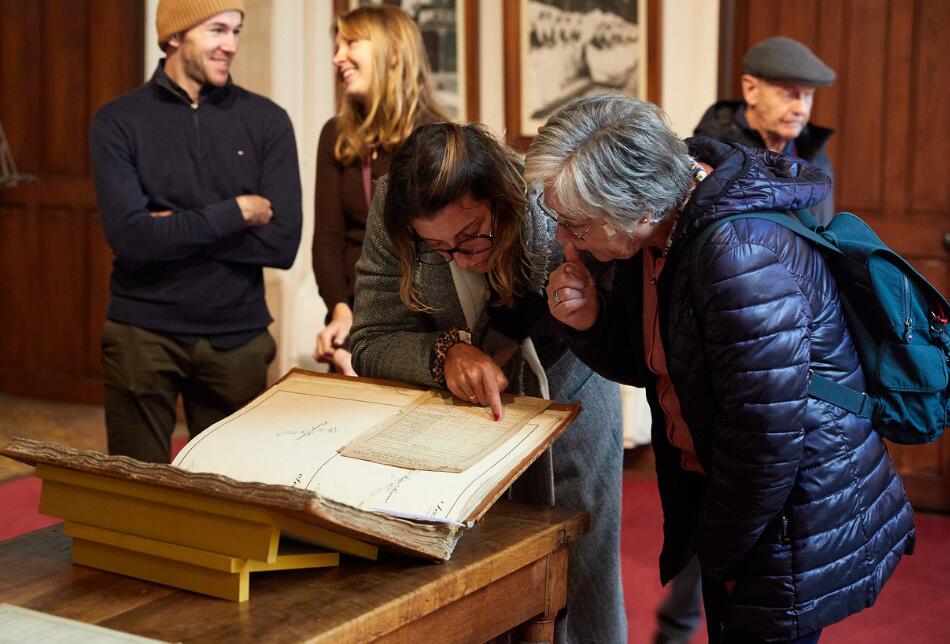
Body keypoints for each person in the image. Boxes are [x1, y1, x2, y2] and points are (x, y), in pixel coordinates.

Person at [526, 94, 915, 644]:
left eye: (575, 225)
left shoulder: (738, 254)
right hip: (741, 499)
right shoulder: (658, 228)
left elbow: (764, 441)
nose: (565, 240)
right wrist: (588, 321)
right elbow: (659, 366)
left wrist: (723, 551)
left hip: (789, 514)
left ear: (638, 209)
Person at [349, 122, 627, 643]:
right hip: (461, 433)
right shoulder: (393, 206)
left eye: (471, 234)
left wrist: (587, 312)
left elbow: (616, 328)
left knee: (583, 574)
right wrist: (444, 353)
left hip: (569, 405)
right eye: (436, 247)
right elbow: (371, 338)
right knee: (484, 590)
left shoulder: (547, 200)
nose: (462, 257)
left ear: (500, 197)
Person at [90, 0, 302, 463]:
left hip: (238, 339)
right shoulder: (118, 122)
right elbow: (131, 239)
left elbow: (283, 242)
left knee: (230, 493)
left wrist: (170, 226)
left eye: (236, 31)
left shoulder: (267, 121)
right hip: (141, 335)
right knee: (136, 493)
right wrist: (236, 212)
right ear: (173, 36)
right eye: (216, 30)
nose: (230, 45)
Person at [312, 5, 449, 376]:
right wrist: (340, 311)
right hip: (351, 316)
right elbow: (327, 238)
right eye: (336, 46)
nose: (337, 57)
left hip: (415, 323)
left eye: (350, 43)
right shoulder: (335, 135)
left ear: (393, 54)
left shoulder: (435, 138)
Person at [694, 35, 837, 225]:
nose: (801, 109)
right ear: (751, 90)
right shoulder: (712, 157)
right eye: (788, 95)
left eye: (808, 95)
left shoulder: (817, 157)